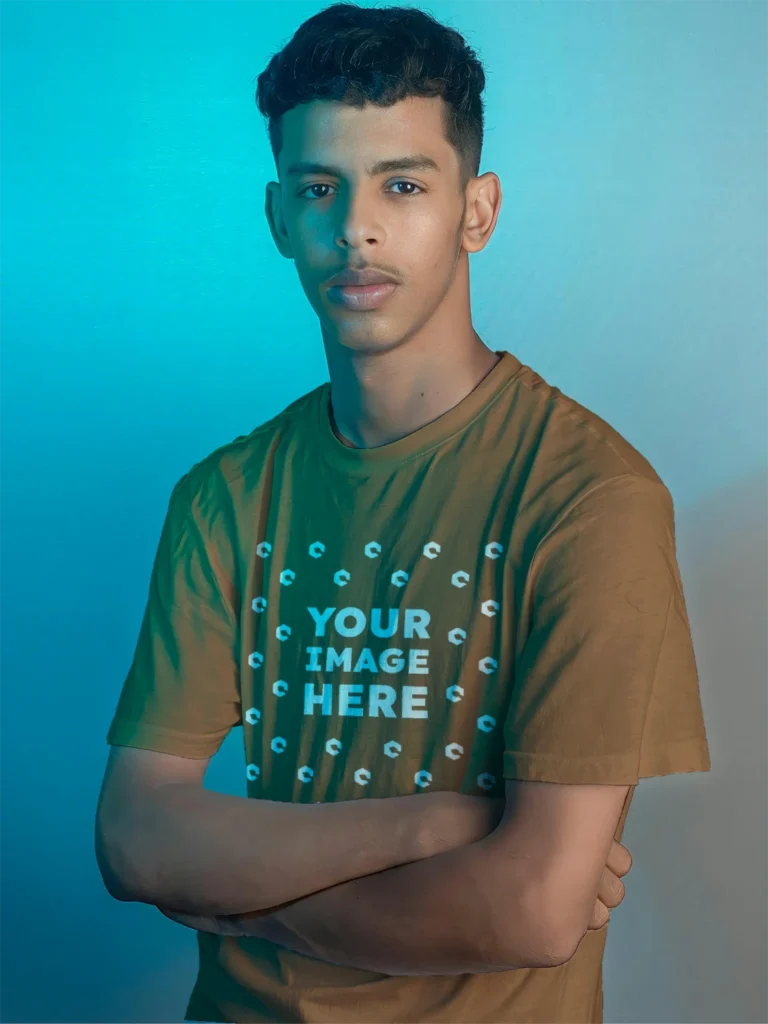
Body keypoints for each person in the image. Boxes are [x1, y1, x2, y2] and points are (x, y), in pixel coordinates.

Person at [100, 4, 711, 1021]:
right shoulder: (226, 495)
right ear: (277, 216)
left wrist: (240, 909)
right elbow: (133, 839)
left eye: (403, 184)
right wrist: (429, 825)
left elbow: (532, 909)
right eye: (319, 187)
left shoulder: (590, 498)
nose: (356, 228)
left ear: (477, 210)